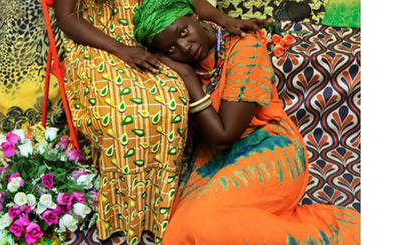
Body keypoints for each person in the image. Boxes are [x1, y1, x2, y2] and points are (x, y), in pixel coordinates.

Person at [133, 0, 361, 244]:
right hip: (215, 158)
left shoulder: (244, 47)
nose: (185, 48)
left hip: (269, 147)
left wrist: (189, 78)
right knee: (181, 231)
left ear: (195, 17)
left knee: (204, 224)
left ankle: (329, 233)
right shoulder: (186, 62)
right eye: (170, 49)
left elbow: (224, 135)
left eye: (183, 32)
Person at [53, 0, 271, 244]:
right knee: (123, 112)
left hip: (153, 37)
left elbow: (186, 3)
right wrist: (120, 50)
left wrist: (222, 18)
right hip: (98, 42)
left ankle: (162, 207)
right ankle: (124, 209)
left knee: (169, 102)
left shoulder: (185, 38)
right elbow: (67, 18)